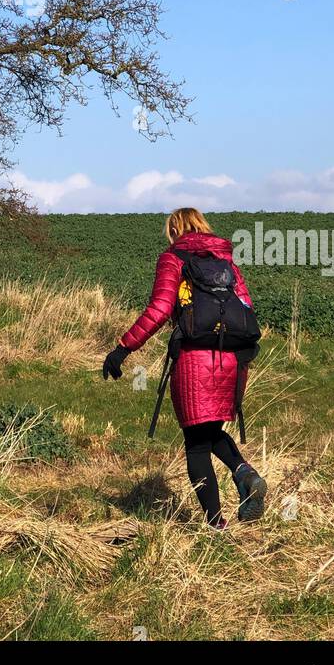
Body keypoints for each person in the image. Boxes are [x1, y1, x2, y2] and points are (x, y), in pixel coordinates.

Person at [102, 207, 267, 529]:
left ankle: (215, 526)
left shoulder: (173, 257)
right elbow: (246, 307)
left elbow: (161, 308)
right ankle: (246, 474)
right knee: (210, 431)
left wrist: (124, 348)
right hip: (232, 359)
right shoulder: (226, 260)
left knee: (196, 442)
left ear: (175, 229)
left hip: (195, 360)